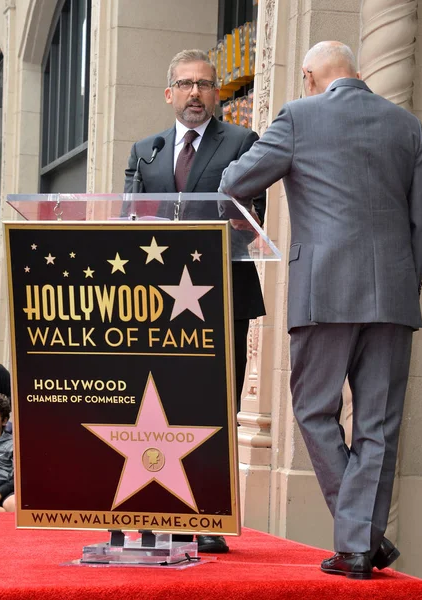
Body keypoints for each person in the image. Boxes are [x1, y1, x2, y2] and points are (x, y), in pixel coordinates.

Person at [220, 41, 422, 579]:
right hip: (393, 293)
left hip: (323, 291)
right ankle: (362, 538)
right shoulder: (406, 125)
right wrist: (407, 285)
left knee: (314, 411)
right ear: (356, 75)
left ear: (311, 76)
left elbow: (232, 183)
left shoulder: (297, 116)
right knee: (378, 424)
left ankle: (357, 538)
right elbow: (421, 221)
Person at [124, 49, 266, 554]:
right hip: (156, 306)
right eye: (185, 84)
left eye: (205, 85)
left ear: (216, 94)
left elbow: (249, 221)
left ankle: (209, 516)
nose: (194, 94)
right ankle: (154, 510)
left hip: (220, 298)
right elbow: (128, 224)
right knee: (157, 406)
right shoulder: (147, 150)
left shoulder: (242, 142)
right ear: (169, 94)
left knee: (214, 408)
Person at [0, 394, 15, 512]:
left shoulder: (13, 443)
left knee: (13, 504)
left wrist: (1, 491)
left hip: (5, 489)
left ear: (5, 421)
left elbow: (19, 476)